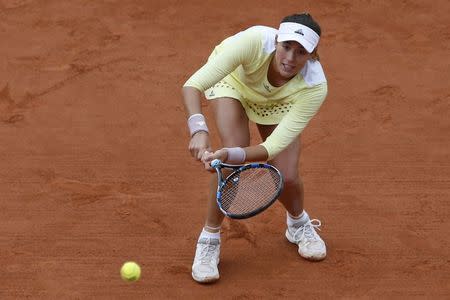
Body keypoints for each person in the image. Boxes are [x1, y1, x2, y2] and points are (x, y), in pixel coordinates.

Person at [182, 12, 328, 283]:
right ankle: (209, 240)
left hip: (279, 101)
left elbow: (272, 147)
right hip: (235, 84)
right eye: (286, 47)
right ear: (276, 41)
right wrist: (199, 130)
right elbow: (194, 85)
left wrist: (231, 155)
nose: (290, 59)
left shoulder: (314, 86)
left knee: (288, 175)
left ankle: (298, 224)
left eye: (301, 52)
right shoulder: (252, 42)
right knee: (230, 160)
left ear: (312, 56)